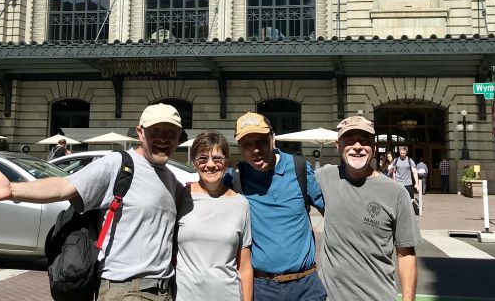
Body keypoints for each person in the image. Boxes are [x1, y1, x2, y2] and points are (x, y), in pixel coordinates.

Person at [0, 103, 187, 300]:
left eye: (171, 132)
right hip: (126, 290)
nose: (164, 138)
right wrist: (12, 189)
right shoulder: (118, 164)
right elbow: (64, 186)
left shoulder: (170, 179)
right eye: (155, 131)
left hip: (164, 289)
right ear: (140, 132)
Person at [316, 116, 419, 301]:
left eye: (364, 141)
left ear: (373, 147)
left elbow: (406, 255)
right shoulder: (325, 176)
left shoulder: (396, 193)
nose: (357, 146)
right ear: (338, 145)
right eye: (349, 140)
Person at [230, 112, 325, 301]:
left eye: (261, 141)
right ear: (239, 147)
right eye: (247, 144)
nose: (255, 149)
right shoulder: (236, 178)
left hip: (306, 285)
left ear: (272, 138)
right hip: (262, 288)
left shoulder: (299, 168)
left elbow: (333, 211)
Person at [176, 131, 253, 301]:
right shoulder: (180, 197)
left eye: (217, 158)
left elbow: (245, 266)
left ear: (226, 162)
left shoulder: (241, 204)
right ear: (194, 163)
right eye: (203, 158)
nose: (210, 165)